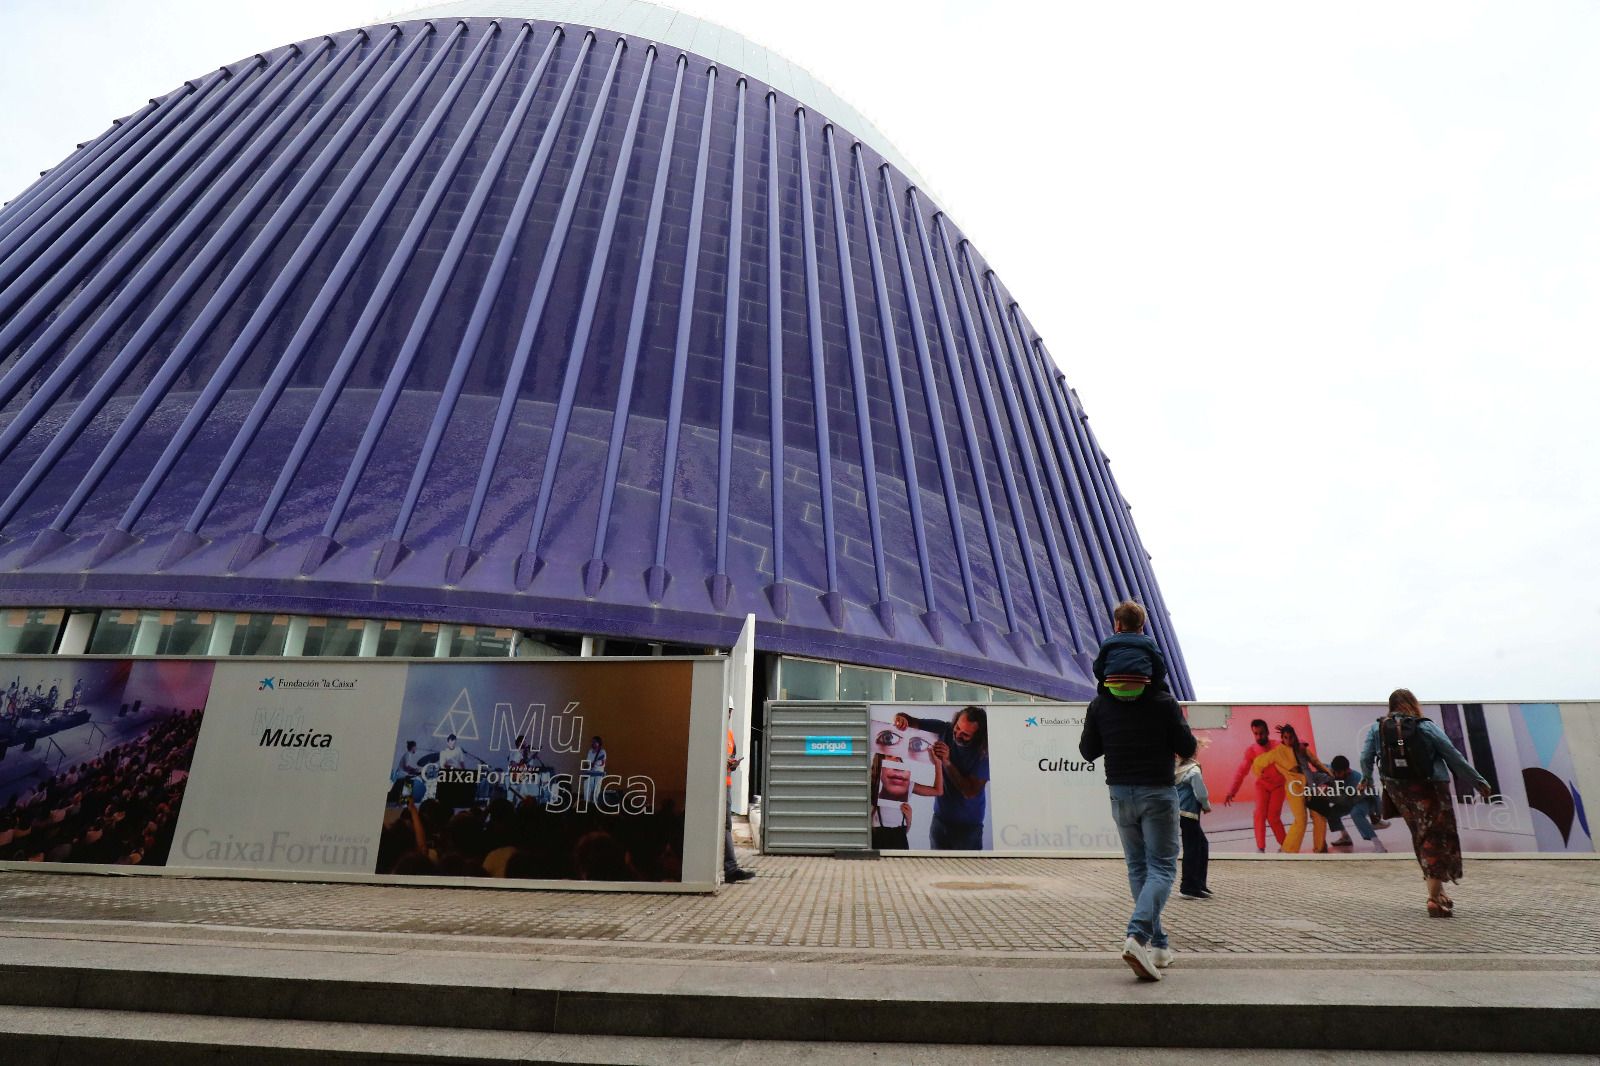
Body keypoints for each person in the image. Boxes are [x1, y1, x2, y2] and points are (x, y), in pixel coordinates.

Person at [1078, 642, 1197, 982]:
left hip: (1120, 792)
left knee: (1138, 868)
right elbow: (1187, 747)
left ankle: (1159, 946)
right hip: (1158, 791)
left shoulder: (1100, 704)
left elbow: (1088, 751)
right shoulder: (1163, 702)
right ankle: (1137, 936)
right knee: (1161, 868)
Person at [1361, 688, 1491, 917]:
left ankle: (1438, 892)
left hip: (1398, 790)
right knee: (1435, 838)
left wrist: (1365, 778)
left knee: (1421, 836)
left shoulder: (1377, 728)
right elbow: (1452, 755)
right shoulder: (1424, 726)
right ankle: (1433, 898)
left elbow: (1366, 757)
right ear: (1412, 704)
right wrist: (1478, 781)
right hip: (1430, 787)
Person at [892, 706, 990, 850]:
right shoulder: (945, 729)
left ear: (978, 736)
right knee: (937, 869)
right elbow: (912, 721)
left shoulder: (983, 753)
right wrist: (900, 719)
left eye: (965, 735)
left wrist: (947, 762)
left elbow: (969, 792)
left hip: (968, 828)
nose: (957, 735)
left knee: (967, 872)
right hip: (939, 820)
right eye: (957, 728)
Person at [1248, 723, 1329, 853]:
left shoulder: (1302, 749)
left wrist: (1330, 776)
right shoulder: (1277, 752)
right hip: (1294, 789)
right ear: (1282, 738)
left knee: (1319, 816)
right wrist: (1260, 774)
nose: (1289, 740)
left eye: (1291, 737)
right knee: (1301, 820)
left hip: (1311, 786)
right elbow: (1258, 762)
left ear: (1295, 736)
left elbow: (1316, 763)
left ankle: (1320, 849)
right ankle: (1287, 850)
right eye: (1286, 737)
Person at [1222, 719, 1287, 852]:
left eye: (1261, 733)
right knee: (1259, 814)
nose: (1259, 736)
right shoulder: (1251, 751)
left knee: (1273, 816)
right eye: (1256, 734)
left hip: (1279, 786)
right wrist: (1231, 791)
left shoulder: (1279, 746)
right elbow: (1241, 772)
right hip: (1262, 786)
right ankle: (1260, 848)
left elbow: (1297, 746)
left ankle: (1286, 845)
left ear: (1267, 732)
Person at [1092, 600, 1168, 700]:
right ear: (1141, 627)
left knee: (1101, 685)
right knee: (1163, 686)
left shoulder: (1108, 642)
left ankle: (1106, 701)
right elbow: (1160, 668)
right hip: (1141, 690)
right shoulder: (1148, 642)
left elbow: (1097, 668)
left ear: (1118, 625)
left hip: (1115, 691)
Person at [1316, 755, 1387, 853]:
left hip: (1363, 801)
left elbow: (1373, 794)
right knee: (1331, 813)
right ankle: (1345, 838)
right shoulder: (1329, 771)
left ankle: (1379, 845)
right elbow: (1316, 765)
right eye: (1334, 772)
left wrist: (1377, 814)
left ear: (1347, 770)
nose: (1336, 775)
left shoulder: (1357, 779)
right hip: (1347, 802)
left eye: (1339, 773)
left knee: (1356, 813)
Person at [1175, 750, 1212, 900]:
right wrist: (1206, 805)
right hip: (1190, 812)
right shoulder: (1193, 770)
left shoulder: (1176, 768)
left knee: (1200, 845)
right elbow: (1201, 793)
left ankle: (1198, 884)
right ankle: (1189, 887)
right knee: (1194, 848)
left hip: (1180, 812)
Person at [723, 709, 753, 882]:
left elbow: (731, 755)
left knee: (725, 826)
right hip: (714, 788)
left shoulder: (728, 734)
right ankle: (730, 868)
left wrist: (732, 764)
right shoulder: (715, 731)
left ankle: (729, 868)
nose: (728, 715)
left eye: (730, 711)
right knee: (724, 827)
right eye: (727, 711)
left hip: (725, 786)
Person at [580, 735, 606, 805]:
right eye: (592, 742)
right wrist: (588, 766)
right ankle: (586, 802)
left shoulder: (602, 752)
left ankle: (595, 803)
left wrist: (595, 764)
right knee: (587, 787)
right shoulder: (590, 751)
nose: (592, 743)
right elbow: (588, 761)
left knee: (597, 789)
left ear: (598, 743)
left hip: (598, 773)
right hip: (590, 772)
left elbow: (602, 763)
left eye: (594, 742)